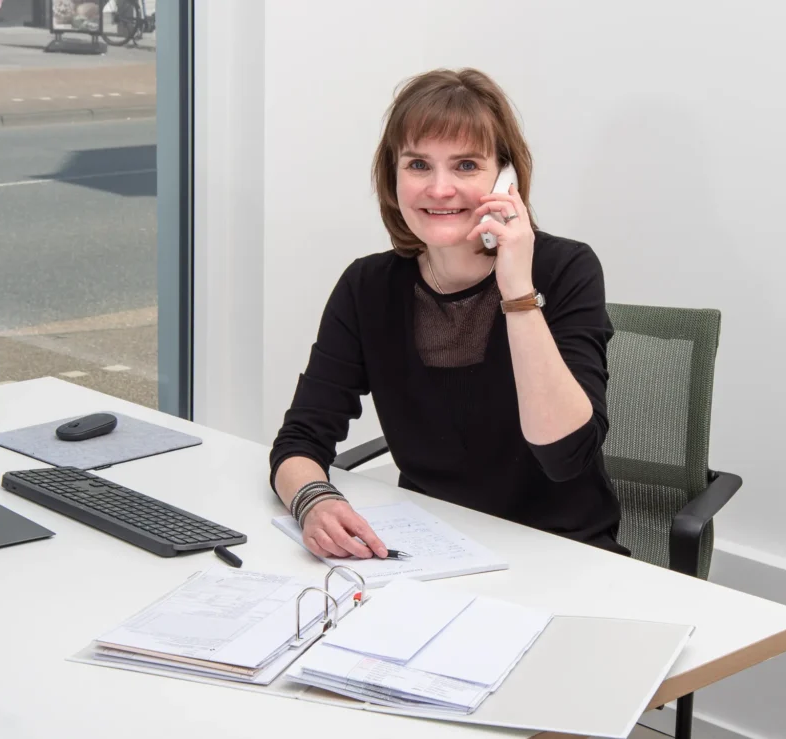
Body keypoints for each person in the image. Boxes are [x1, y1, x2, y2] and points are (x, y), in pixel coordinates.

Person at [268, 67, 630, 561]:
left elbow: (565, 457)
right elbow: (300, 439)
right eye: (418, 165)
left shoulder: (566, 269)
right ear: (392, 177)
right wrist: (314, 501)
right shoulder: (367, 286)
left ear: (506, 179)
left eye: (465, 166)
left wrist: (517, 291)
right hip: (428, 554)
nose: (439, 189)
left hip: (562, 553)